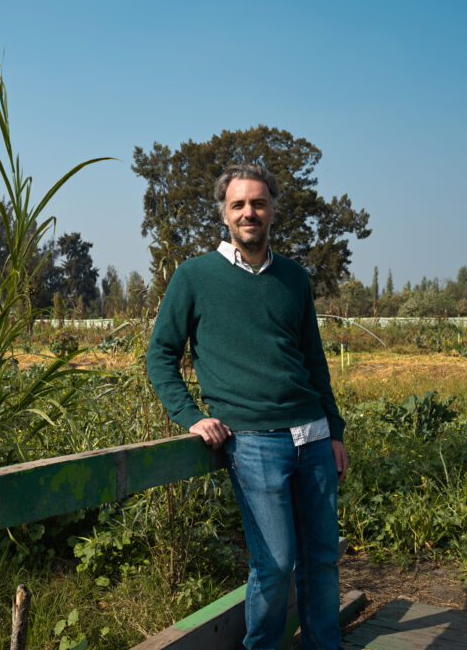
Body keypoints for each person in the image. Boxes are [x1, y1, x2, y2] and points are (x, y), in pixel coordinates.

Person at [146, 163, 349, 650]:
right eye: (238, 204)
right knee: (275, 564)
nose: (248, 212)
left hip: (313, 437)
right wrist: (192, 417)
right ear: (224, 213)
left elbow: (314, 361)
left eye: (258, 203)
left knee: (322, 559)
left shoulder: (294, 277)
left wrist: (335, 430)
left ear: (273, 209)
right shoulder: (194, 276)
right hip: (253, 442)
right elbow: (160, 356)